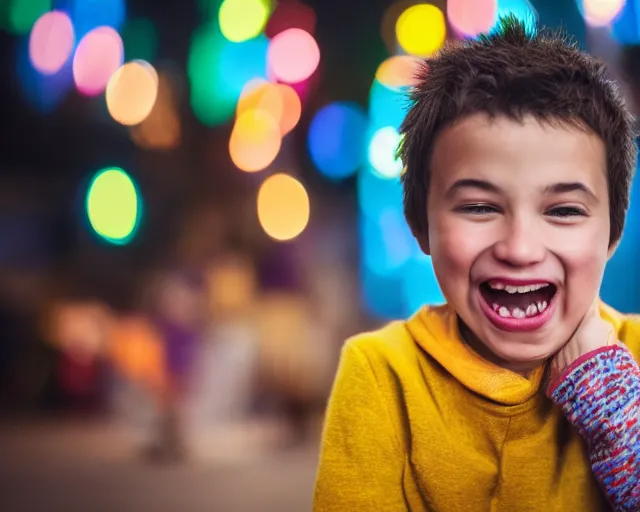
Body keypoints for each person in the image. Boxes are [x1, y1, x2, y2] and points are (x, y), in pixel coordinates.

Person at [314, 16, 640, 512]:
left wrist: (609, 399)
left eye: (564, 211)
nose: (520, 247)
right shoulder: (382, 376)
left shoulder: (633, 354)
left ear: (612, 232)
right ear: (420, 225)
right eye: (479, 207)